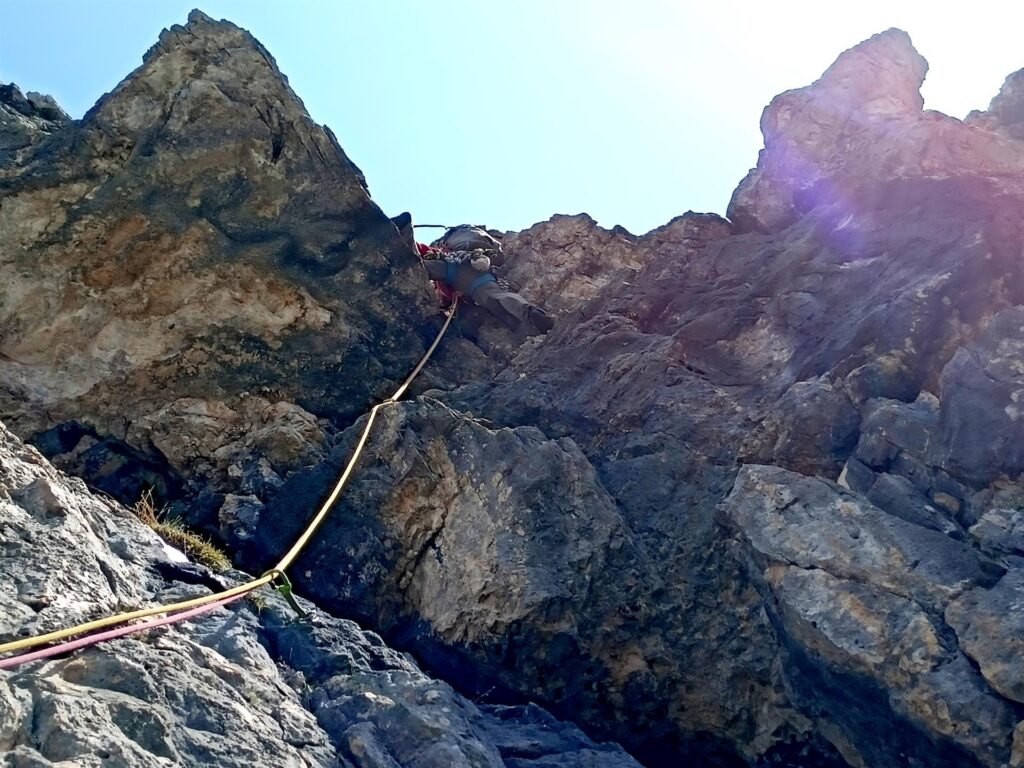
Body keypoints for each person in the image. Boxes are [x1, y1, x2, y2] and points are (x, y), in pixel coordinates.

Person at [393, 214, 554, 334]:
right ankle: (530, 313)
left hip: (453, 268)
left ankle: (400, 233)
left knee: (417, 267)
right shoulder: (474, 238)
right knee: (495, 296)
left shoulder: (445, 246)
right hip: (474, 275)